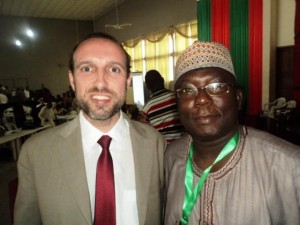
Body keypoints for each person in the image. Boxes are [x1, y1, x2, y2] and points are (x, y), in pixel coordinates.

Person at [14, 32, 165, 225]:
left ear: (127, 80)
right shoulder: (35, 152)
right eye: (87, 68)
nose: (100, 83)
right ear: (72, 79)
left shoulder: (155, 143)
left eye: (114, 69)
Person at [163, 41, 300, 225]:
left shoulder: (289, 165)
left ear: (238, 98)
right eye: (188, 90)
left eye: (217, 87)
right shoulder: (170, 157)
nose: (202, 99)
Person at [142, 69, 185, 143]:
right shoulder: (176, 97)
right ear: (162, 80)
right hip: (183, 143)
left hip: (163, 149)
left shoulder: (147, 108)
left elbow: (149, 132)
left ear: (148, 86)